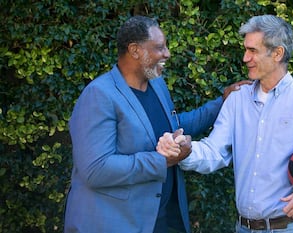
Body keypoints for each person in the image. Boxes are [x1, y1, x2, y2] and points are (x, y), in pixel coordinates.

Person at [157, 15, 293, 233]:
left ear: (278, 53)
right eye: (245, 49)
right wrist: (184, 150)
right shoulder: (237, 100)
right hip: (242, 227)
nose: (244, 58)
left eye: (253, 51)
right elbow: (215, 152)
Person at [63, 15, 250, 233]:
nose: (167, 54)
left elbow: (174, 125)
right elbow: (96, 170)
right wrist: (162, 160)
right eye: (159, 47)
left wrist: (222, 102)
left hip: (159, 220)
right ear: (135, 50)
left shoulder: (156, 85)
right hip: (115, 223)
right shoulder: (99, 95)